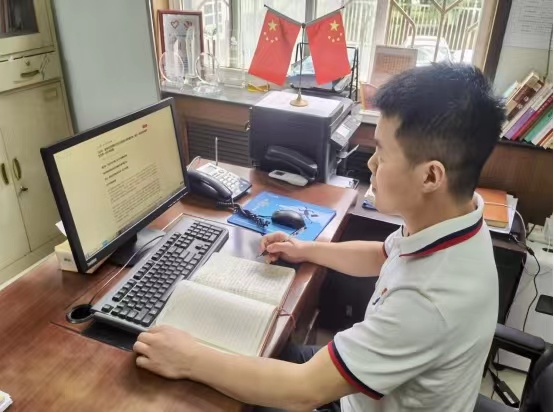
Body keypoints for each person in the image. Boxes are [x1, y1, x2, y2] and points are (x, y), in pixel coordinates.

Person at [132, 63, 506, 412]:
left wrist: (189, 359)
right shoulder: (456, 218)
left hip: (346, 400)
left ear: (430, 177)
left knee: (201, 390)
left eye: (381, 154)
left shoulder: (430, 301)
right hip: (364, 391)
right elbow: (382, 254)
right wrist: (305, 248)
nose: (371, 164)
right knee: (256, 350)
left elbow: (305, 390)